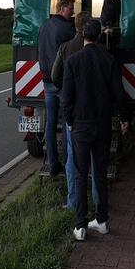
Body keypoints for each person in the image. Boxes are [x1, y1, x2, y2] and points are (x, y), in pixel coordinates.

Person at [61, 19, 130, 241]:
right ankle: (101, 221)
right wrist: (124, 118)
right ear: (100, 35)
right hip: (102, 125)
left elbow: (67, 98)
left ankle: (80, 226)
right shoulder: (109, 60)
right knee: (100, 173)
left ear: (82, 35)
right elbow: (119, 93)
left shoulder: (72, 61)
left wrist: (70, 121)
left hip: (80, 125)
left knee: (81, 174)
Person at [51, 11, 99, 210]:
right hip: (94, 110)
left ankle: (73, 203)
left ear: (76, 26)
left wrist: (65, 92)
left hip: (73, 111)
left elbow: (55, 76)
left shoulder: (65, 47)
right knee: (97, 158)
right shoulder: (101, 50)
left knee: (72, 157)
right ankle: (98, 202)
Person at [38, 0, 76, 176]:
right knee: (67, 121)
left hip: (46, 81)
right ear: (62, 8)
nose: (73, 12)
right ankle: (69, 162)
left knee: (50, 123)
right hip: (61, 82)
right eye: (70, 8)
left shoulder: (44, 26)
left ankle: (53, 163)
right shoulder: (67, 28)